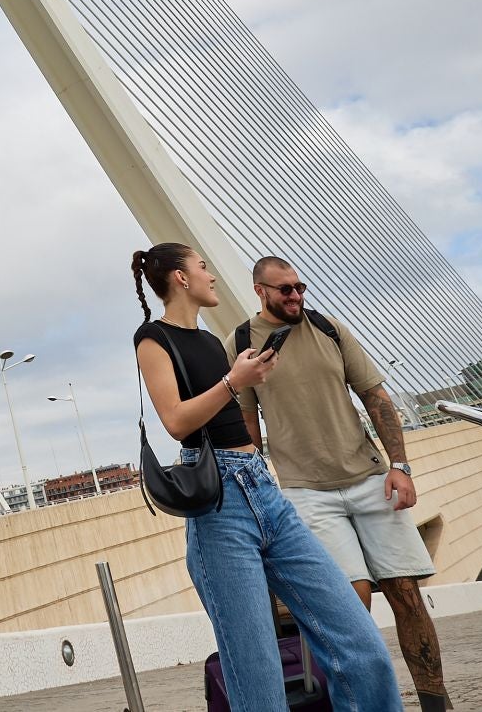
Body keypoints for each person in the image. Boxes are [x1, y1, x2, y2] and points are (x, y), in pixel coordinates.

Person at [132, 242, 401, 712]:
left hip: (264, 490)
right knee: (257, 676)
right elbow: (175, 420)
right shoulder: (152, 338)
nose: (212, 275)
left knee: (360, 643)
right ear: (180, 277)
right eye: (202, 266)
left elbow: (228, 410)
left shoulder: (211, 341)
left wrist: (248, 377)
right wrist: (235, 381)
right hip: (220, 508)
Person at [226, 255, 450, 712]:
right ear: (260, 291)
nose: (296, 295)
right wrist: (254, 489)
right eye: (285, 289)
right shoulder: (241, 342)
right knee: (350, 606)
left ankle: (436, 704)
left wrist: (400, 466)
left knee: (407, 595)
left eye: (300, 287)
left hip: (370, 480)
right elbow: (247, 420)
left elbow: (375, 396)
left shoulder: (329, 329)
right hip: (305, 492)